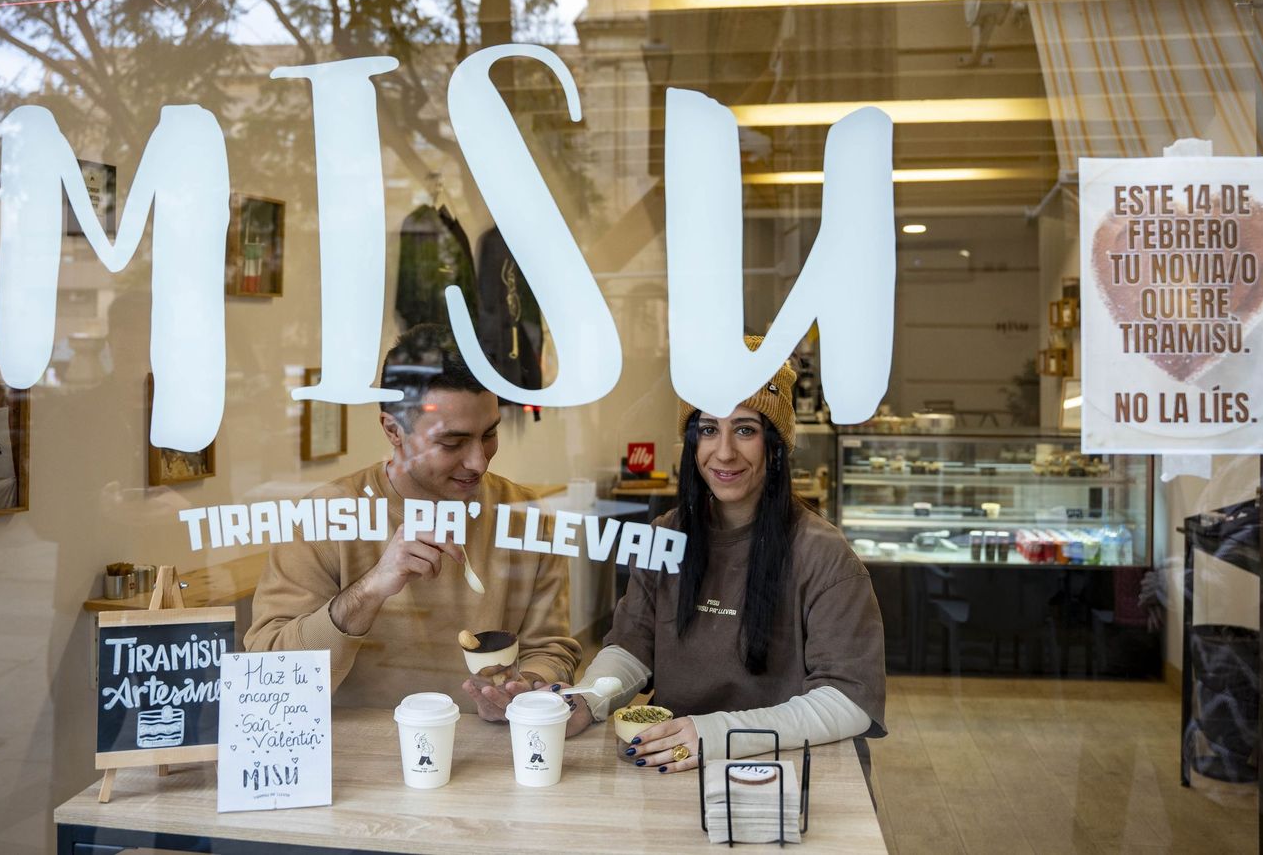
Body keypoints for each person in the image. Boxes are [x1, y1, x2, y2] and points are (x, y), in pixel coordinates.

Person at [560, 338, 886, 772]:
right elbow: (632, 645)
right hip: (675, 761)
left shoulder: (823, 554)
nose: (725, 451)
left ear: (775, 444)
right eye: (709, 429)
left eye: (746, 429)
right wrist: (589, 697)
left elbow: (849, 700)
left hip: (781, 772)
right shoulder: (665, 535)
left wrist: (718, 734)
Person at [246, 324, 580, 717]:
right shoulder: (323, 517)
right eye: (452, 443)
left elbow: (551, 649)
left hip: (490, 756)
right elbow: (268, 674)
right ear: (393, 430)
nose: (478, 461)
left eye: (489, 434)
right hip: (360, 758)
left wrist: (525, 691)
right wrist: (368, 591)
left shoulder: (526, 518)